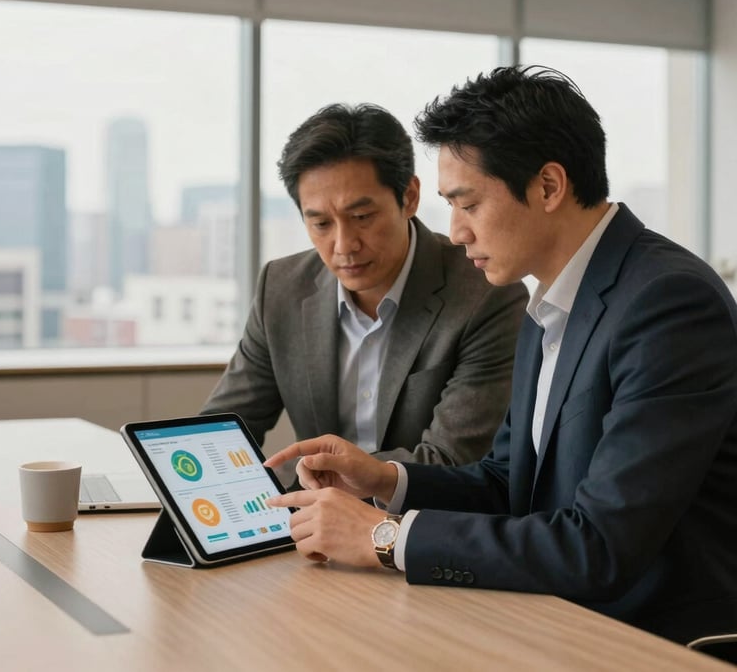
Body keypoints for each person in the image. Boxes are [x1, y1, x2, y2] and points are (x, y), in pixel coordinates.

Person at [266, 67, 737, 650]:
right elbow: (505, 484)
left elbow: (601, 546)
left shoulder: (667, 302)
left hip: (652, 641)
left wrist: (386, 538)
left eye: (468, 204)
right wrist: (384, 480)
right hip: (559, 621)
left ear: (548, 186)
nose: (455, 232)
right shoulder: (553, 302)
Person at [201, 102, 528, 485]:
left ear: (409, 197)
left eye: (361, 218)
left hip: (426, 529)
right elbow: (219, 434)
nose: (344, 245)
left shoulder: (485, 294)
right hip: (312, 529)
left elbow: (451, 458)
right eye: (321, 223)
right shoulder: (282, 287)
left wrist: (305, 477)